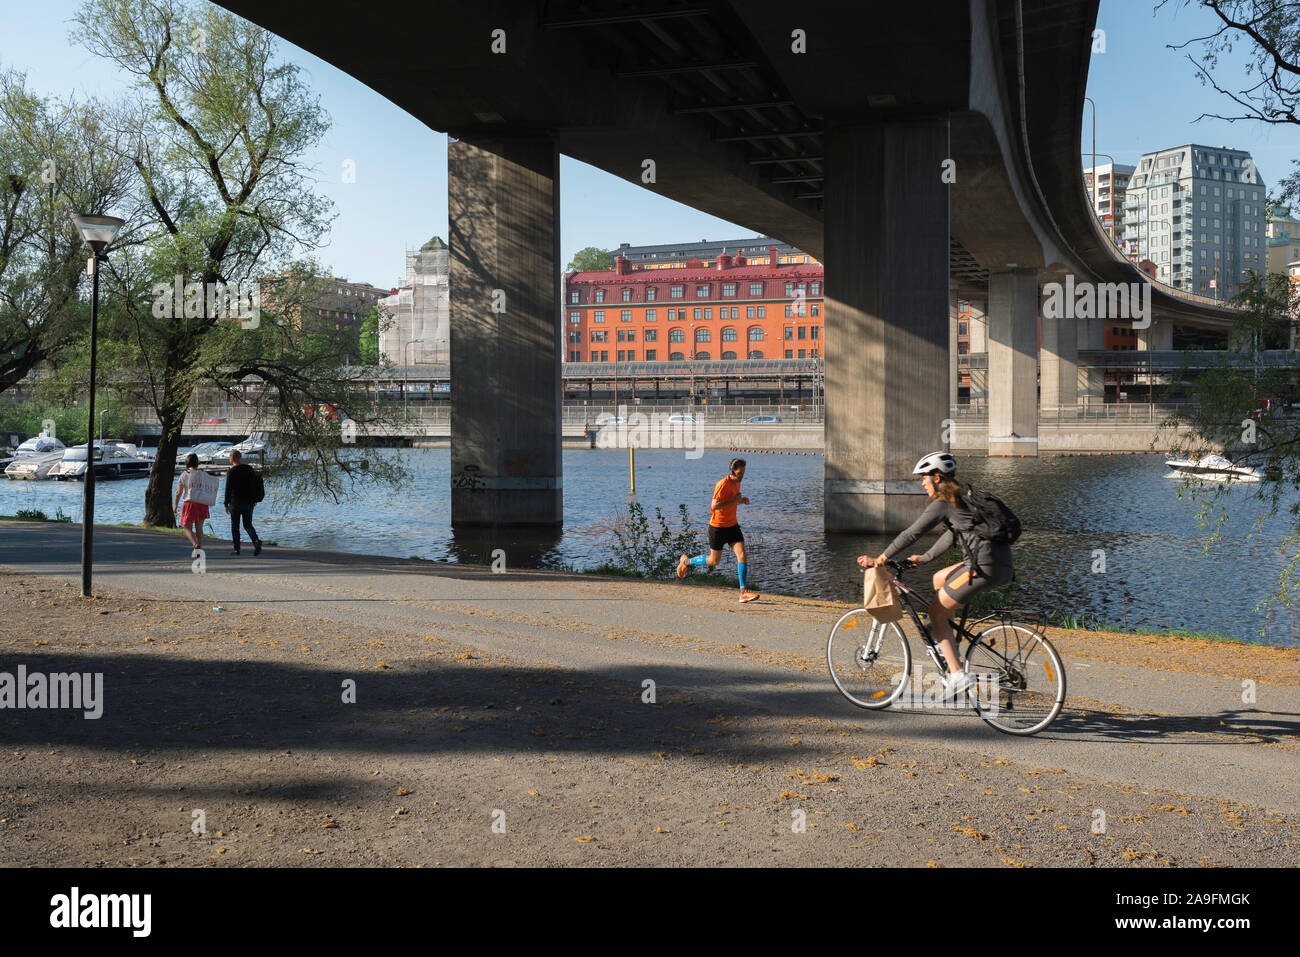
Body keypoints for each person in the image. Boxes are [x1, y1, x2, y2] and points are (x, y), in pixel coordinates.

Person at [857, 451, 1014, 700]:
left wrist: (881, 558)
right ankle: (948, 641)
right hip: (1001, 566)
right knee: (939, 579)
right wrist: (926, 557)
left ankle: (957, 674)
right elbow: (953, 535)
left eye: (924, 478)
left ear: (937, 477)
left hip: (981, 567)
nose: (922, 483)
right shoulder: (963, 499)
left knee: (935, 613)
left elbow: (912, 533)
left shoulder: (943, 503)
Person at [676, 457, 759, 603]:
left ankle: (743, 592)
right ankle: (686, 562)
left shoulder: (737, 482)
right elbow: (715, 506)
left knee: (742, 555)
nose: (742, 475)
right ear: (733, 471)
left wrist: (741, 500)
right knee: (713, 561)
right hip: (718, 527)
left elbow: (731, 499)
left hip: (732, 525)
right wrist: (735, 501)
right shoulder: (722, 484)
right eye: (740, 472)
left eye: (744, 472)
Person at [223, 448, 263, 556]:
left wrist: (226, 504)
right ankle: (255, 541)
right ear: (240, 458)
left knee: (235, 526)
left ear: (231, 458)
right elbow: (254, 485)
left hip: (235, 502)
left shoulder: (231, 471)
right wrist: (254, 499)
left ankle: (237, 549)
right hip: (249, 502)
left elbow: (228, 489)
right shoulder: (249, 469)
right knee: (248, 524)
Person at [174, 452, 211, 551]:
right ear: (197, 462)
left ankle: (195, 544)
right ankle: (200, 546)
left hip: (189, 503)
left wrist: (175, 505)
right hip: (202, 503)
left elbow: (179, 492)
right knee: (199, 528)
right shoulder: (203, 474)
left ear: (187, 463)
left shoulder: (184, 474)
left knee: (187, 527)